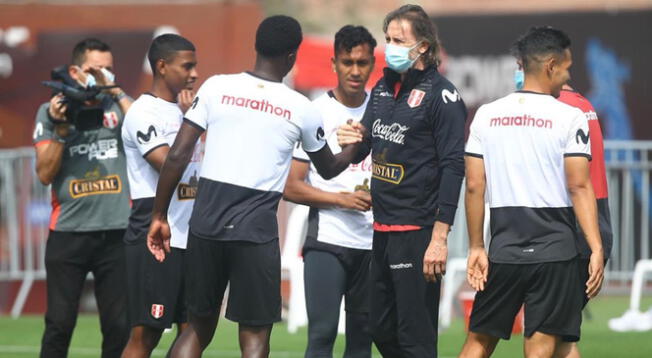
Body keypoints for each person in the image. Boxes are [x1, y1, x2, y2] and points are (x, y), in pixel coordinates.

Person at [146, 15, 363, 358]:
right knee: (255, 336)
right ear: (292, 56)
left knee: (199, 327)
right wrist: (358, 145)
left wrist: (159, 215)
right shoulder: (301, 108)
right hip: (255, 233)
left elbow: (177, 156)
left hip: (205, 226)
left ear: (256, 47)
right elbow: (329, 168)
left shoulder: (217, 87)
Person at [458, 27, 605, 358]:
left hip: (504, 249)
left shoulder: (486, 114)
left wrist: (476, 246)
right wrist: (596, 247)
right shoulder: (570, 116)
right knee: (541, 348)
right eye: (566, 67)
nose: (568, 76)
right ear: (551, 65)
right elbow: (579, 185)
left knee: (478, 342)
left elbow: (473, 186)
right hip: (555, 251)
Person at [336, 4, 467, 357]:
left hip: (418, 232)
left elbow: (454, 167)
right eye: (388, 38)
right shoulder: (381, 87)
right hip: (381, 229)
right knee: (378, 326)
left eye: (399, 40)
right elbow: (366, 143)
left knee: (415, 336)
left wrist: (439, 238)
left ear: (422, 46)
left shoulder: (443, 96)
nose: (390, 46)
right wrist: (352, 136)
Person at [33, 38, 133, 358]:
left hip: (116, 230)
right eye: (96, 69)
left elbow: (147, 129)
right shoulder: (50, 112)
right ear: (75, 71)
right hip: (68, 233)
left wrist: (114, 89)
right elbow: (45, 174)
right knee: (59, 324)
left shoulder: (117, 106)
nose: (103, 75)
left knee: (119, 326)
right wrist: (61, 129)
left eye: (109, 69)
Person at [283, 25, 376, 358]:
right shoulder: (315, 111)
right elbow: (291, 186)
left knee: (362, 341)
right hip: (328, 241)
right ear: (333, 62)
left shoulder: (383, 111)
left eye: (362, 63)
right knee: (321, 337)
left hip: (373, 243)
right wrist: (342, 200)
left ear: (372, 64)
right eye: (347, 62)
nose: (355, 70)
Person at [120, 34, 199, 358]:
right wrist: (190, 123)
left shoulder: (191, 111)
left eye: (196, 66)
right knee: (147, 335)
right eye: (187, 66)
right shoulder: (143, 112)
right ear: (162, 66)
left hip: (192, 236)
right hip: (155, 236)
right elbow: (169, 164)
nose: (194, 73)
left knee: (193, 331)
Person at [554, 85, 613, 358]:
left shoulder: (559, 107)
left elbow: (576, 184)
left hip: (576, 226)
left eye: (521, 65)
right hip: (593, 223)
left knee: (552, 333)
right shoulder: (583, 104)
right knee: (556, 332)